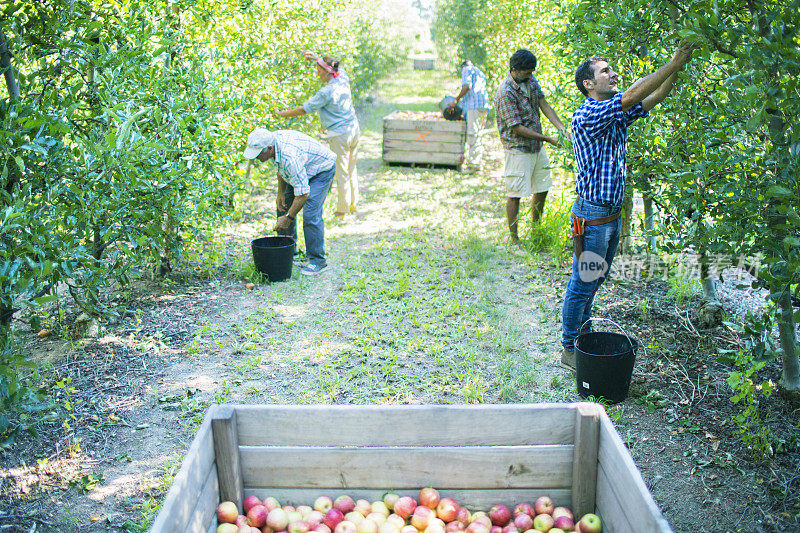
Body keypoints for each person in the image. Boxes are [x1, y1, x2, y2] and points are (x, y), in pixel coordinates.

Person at [560, 44, 696, 369]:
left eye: (611, 69)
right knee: (583, 283)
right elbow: (634, 94)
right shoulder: (589, 114)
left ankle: (581, 335)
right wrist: (672, 61)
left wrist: (677, 68)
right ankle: (568, 349)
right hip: (591, 219)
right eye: (605, 71)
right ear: (589, 85)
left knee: (594, 279)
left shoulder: (613, 112)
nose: (613, 73)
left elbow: (654, 96)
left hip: (606, 218)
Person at [494, 49, 568, 242]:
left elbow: (543, 104)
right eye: (527, 72)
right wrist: (546, 138)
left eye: (532, 71)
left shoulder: (530, 81)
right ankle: (514, 239)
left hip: (536, 147)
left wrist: (560, 127)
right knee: (515, 193)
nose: (531, 75)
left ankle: (536, 231)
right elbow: (516, 127)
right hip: (518, 149)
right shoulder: (505, 92)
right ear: (514, 70)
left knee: (542, 188)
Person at [277, 50, 360, 217]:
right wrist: (317, 58)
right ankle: (352, 203)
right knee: (352, 168)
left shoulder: (325, 93)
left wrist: (281, 114)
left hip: (339, 134)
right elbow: (334, 66)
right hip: (354, 129)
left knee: (341, 171)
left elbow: (303, 110)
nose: (317, 75)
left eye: (318, 71)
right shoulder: (342, 77)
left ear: (325, 71)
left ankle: (342, 210)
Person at [243, 128, 336, 275]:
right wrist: (280, 193)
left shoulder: (289, 156)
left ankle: (318, 260)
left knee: (311, 213)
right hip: (302, 169)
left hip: (321, 170)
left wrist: (288, 218)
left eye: (258, 154)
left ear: (269, 148)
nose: (256, 158)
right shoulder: (272, 144)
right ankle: (289, 249)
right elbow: (281, 168)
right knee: (283, 204)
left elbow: (303, 193)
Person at [448, 60, 491, 172]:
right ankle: (476, 161)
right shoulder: (479, 72)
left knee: (473, 134)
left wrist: (456, 100)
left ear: (463, 66)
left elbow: (467, 86)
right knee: (478, 134)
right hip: (483, 105)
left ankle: (474, 165)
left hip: (474, 106)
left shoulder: (466, 69)